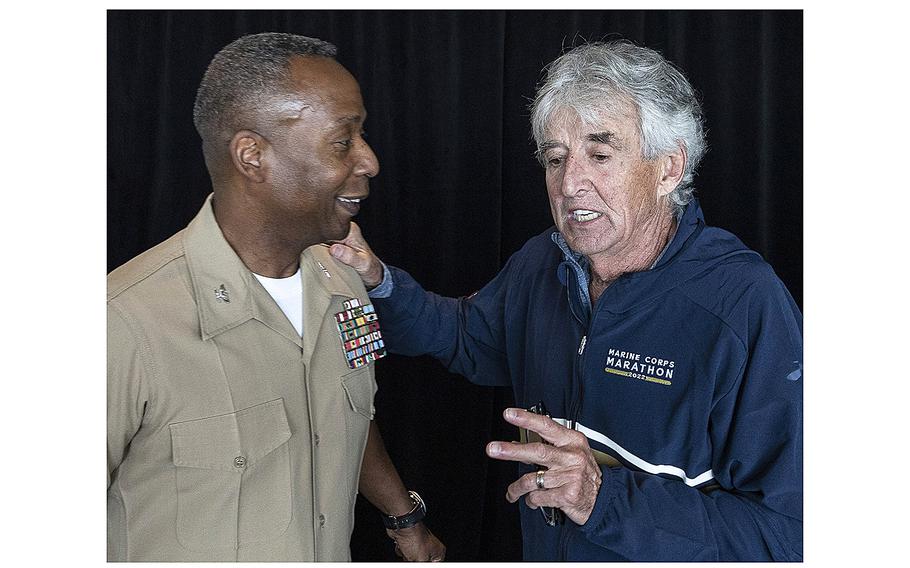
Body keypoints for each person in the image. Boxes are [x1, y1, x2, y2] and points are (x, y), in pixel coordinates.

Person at [331, 40, 802, 561]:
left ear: (669, 168)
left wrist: (603, 498)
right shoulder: (544, 264)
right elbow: (466, 336)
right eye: (556, 159)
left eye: (600, 155)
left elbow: (786, 535)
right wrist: (379, 282)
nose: (571, 184)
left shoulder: (744, 304)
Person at [107, 32, 445, 562]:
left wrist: (405, 518)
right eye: (343, 140)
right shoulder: (123, 323)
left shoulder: (343, 284)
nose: (371, 161)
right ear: (252, 156)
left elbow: (347, 413)